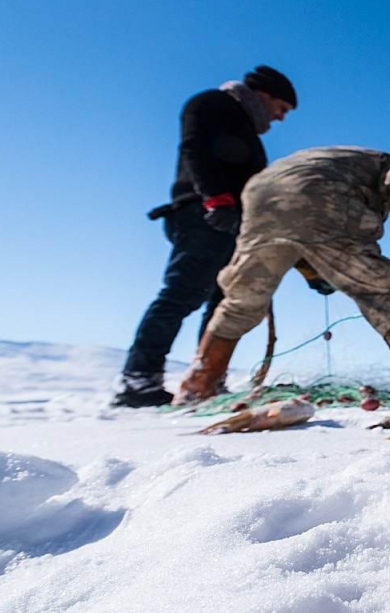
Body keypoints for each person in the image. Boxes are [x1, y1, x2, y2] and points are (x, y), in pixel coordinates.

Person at [173, 146, 390, 405]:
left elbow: (297, 240)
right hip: (324, 196)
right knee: (377, 292)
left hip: (259, 194)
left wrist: (313, 273)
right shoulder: (384, 162)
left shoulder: (313, 160)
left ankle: (197, 385)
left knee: (240, 301)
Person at [114, 66, 296, 408]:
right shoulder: (212, 104)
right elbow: (194, 149)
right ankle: (138, 381)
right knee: (182, 294)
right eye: (282, 109)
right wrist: (217, 200)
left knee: (221, 303)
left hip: (234, 224)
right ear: (264, 94)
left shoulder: (246, 129)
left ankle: (207, 379)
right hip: (204, 215)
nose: (281, 118)